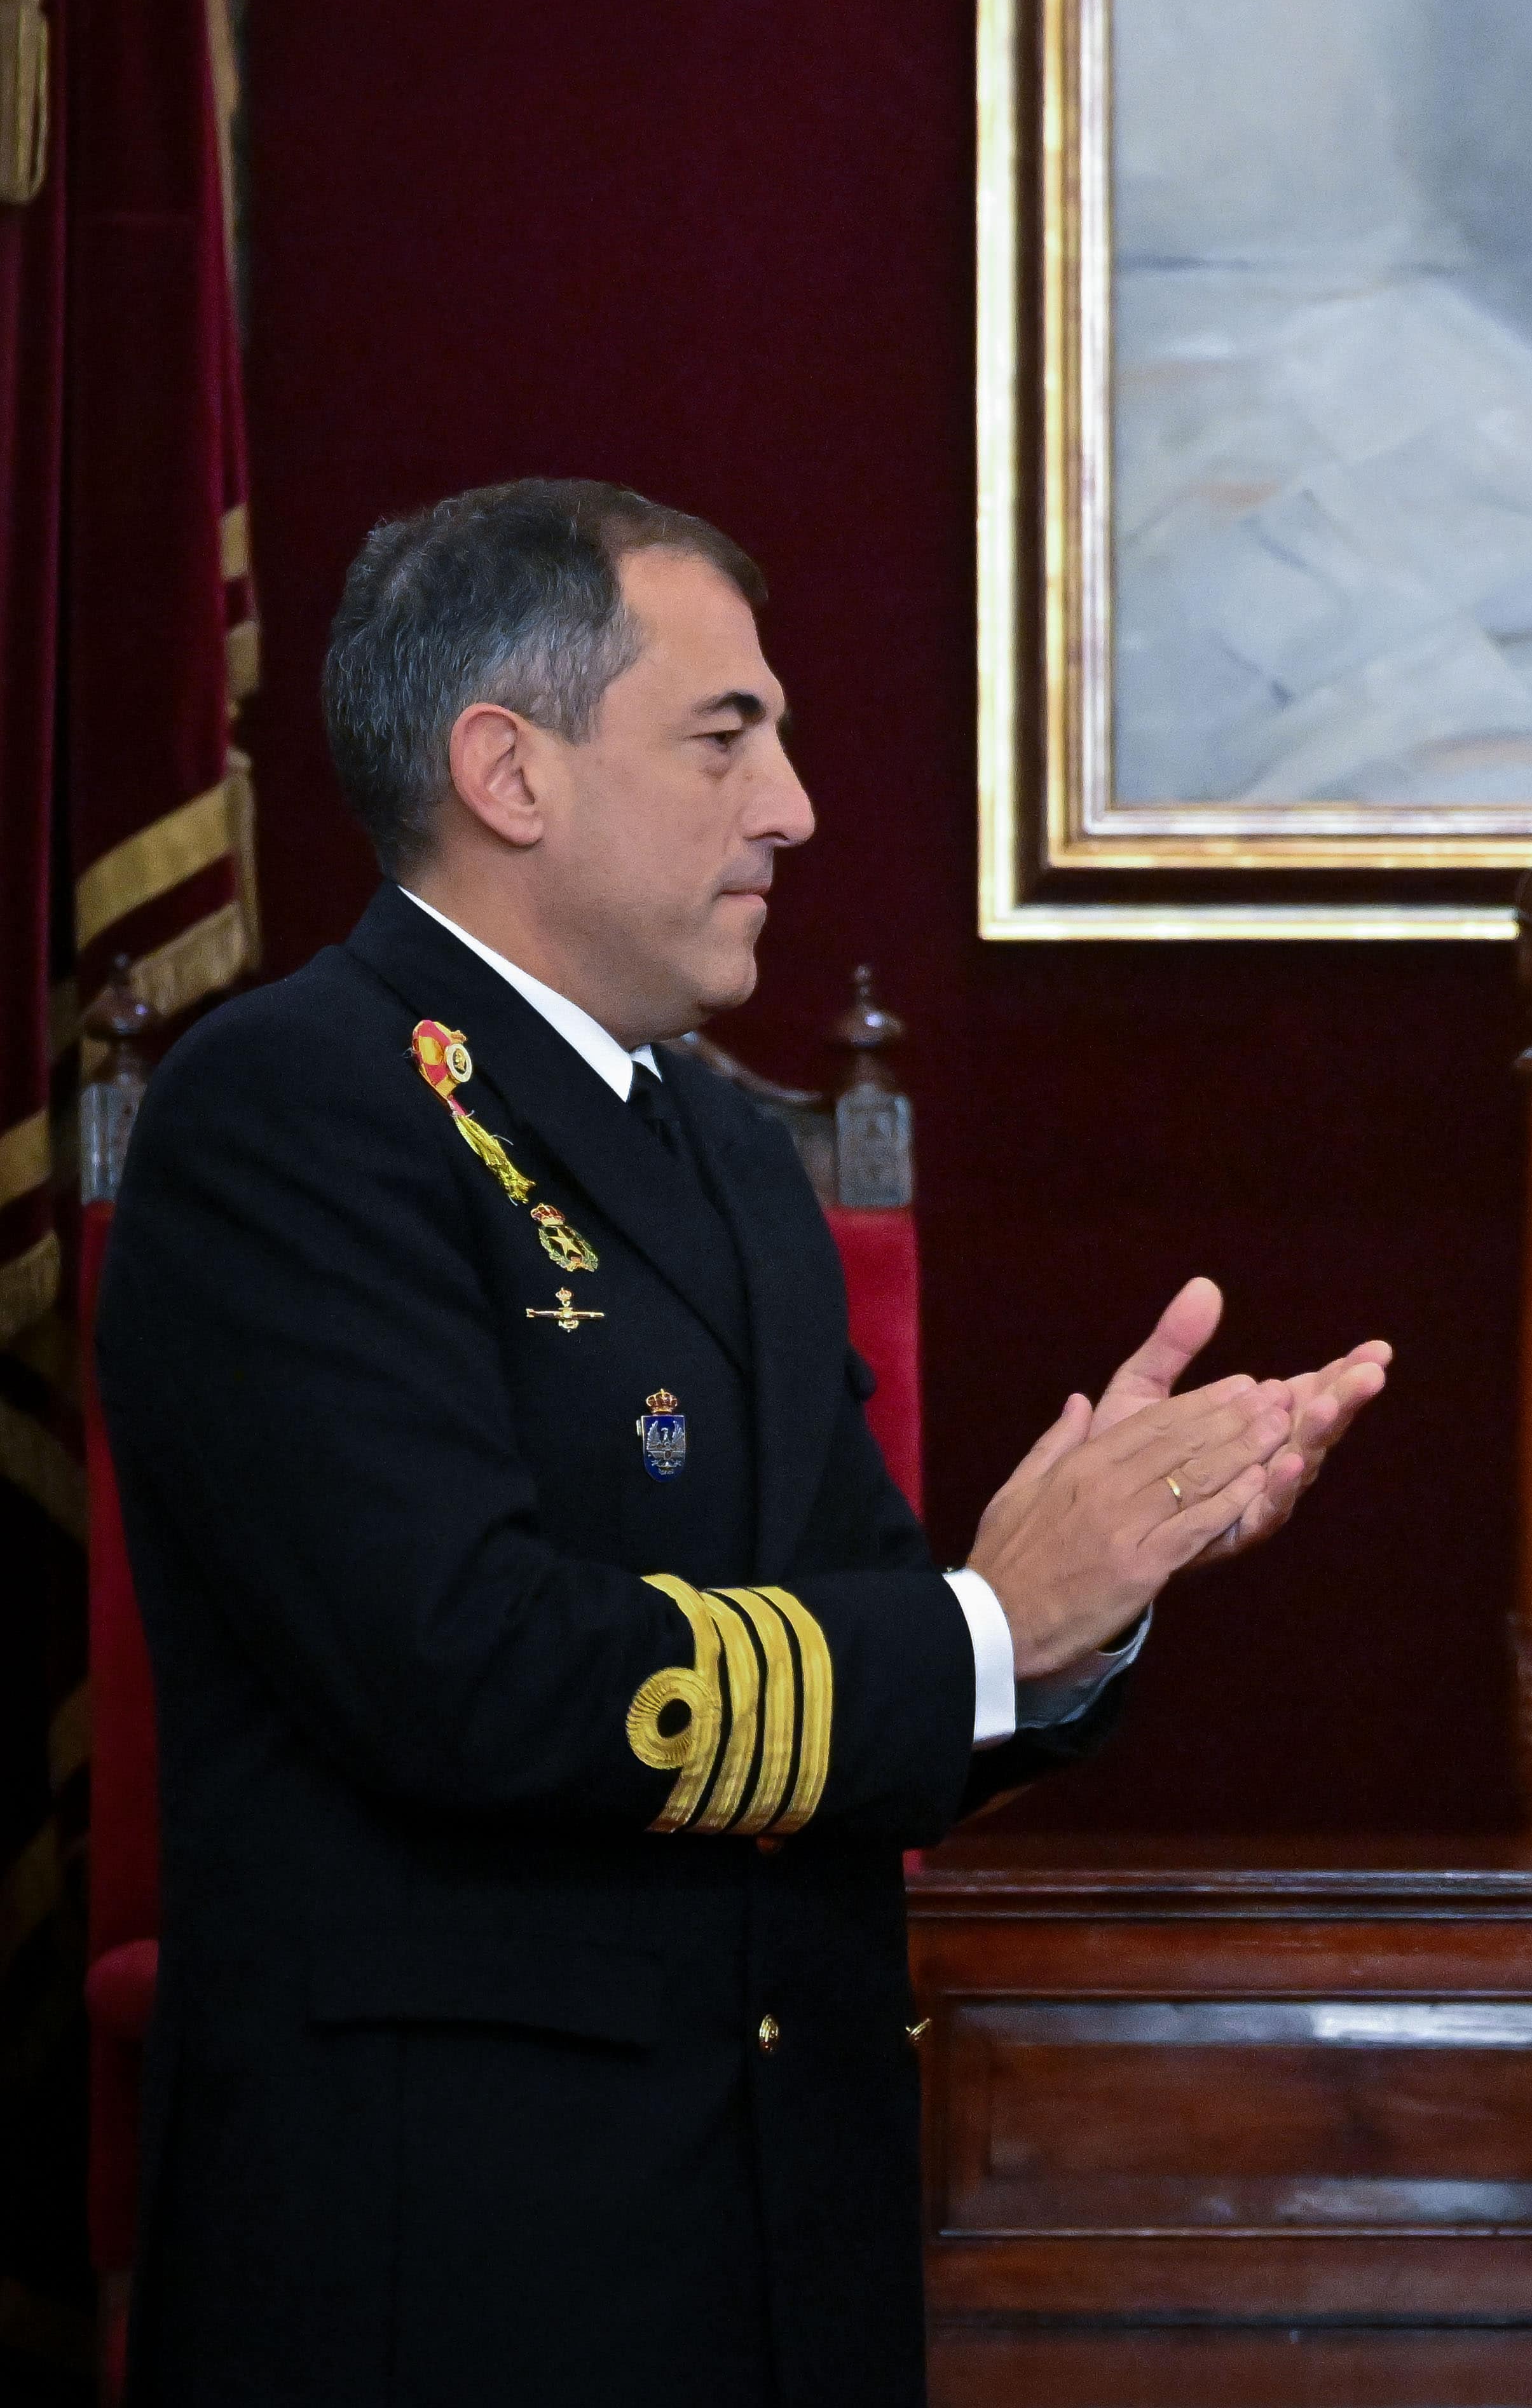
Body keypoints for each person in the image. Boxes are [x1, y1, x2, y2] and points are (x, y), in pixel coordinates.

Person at [95, 480, 1392, 2406]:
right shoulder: (290, 1112)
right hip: (453, 2270)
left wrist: (1088, 1588)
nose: (790, 804)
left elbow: (875, 1667)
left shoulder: (719, 1150)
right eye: (728, 736)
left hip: (779, 2242)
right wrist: (977, 1619)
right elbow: (462, 1669)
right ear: (506, 768)